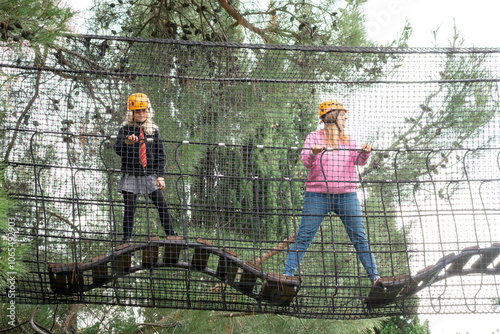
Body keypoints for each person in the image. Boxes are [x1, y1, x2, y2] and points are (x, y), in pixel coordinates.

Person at [283, 100, 381, 285]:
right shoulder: (313, 137)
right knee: (304, 236)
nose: (345, 118)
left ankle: (376, 278)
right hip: (317, 195)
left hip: (347, 196)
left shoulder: (348, 140)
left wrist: (365, 152)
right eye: (342, 115)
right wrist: (313, 153)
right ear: (332, 116)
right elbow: (306, 161)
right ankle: (286, 275)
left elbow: (359, 160)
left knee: (359, 236)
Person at [115, 93, 176, 242]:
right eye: (137, 111)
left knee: (162, 204)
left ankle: (172, 235)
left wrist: (160, 176)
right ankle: (126, 239)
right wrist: (126, 143)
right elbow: (117, 149)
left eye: (144, 110)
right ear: (131, 113)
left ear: (148, 111)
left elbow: (161, 155)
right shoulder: (125, 130)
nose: (141, 114)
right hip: (131, 174)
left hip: (150, 175)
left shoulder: (153, 131)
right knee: (130, 207)